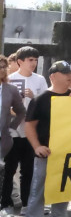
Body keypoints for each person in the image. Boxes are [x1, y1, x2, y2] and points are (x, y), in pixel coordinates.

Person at [23, 61, 71, 217]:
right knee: (38, 192)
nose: (70, 76)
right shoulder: (40, 99)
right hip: (46, 154)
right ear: (53, 76)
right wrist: (37, 146)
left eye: (70, 73)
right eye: (65, 73)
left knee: (62, 192)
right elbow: (29, 126)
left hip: (67, 154)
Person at [3, 47, 47, 215]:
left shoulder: (40, 80)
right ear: (19, 61)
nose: (34, 63)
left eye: (35, 60)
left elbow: (45, 104)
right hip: (13, 131)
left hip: (31, 132)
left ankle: (26, 205)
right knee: (10, 169)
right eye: (30, 60)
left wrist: (33, 96)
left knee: (28, 171)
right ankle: (5, 204)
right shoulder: (10, 79)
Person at [0, 57, 25, 217]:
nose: (1, 69)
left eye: (4, 66)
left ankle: (3, 206)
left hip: (3, 138)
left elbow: (21, 111)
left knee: (3, 172)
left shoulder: (10, 89)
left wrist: (12, 127)